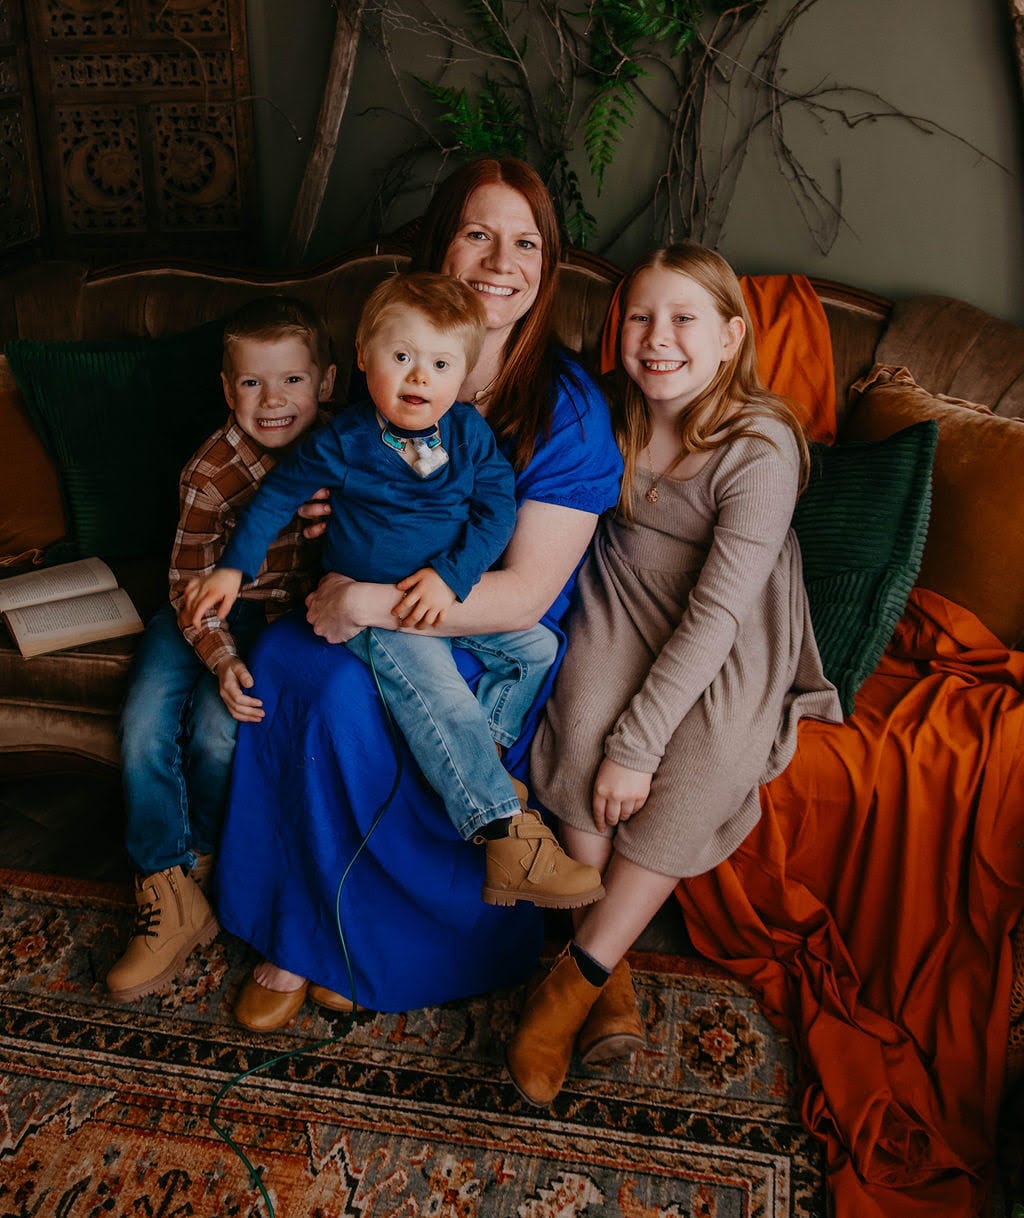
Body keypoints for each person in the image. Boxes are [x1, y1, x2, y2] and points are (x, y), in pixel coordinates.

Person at [209, 156, 624, 1031]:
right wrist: (315, 536)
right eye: (477, 233)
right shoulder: (392, 354)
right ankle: (302, 931)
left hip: (475, 628)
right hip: (353, 601)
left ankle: (366, 939)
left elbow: (522, 596)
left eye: (524, 241)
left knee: (359, 699)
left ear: (548, 264)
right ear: (442, 245)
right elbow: (303, 476)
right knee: (296, 669)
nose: (499, 260)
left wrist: (369, 601)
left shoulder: (568, 409)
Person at [510, 241, 845, 1106]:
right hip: (624, 585)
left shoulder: (759, 444)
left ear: (731, 337)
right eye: (639, 319)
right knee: (577, 728)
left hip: (729, 621)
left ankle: (570, 982)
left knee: (699, 766)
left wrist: (643, 743)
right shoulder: (606, 410)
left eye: (684, 319)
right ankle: (610, 972)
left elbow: (716, 615)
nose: (658, 339)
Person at [185, 272, 603, 913]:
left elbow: (496, 515)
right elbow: (274, 500)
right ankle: (505, 838)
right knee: (437, 690)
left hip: (440, 593)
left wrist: (453, 577)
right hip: (376, 609)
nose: (418, 378)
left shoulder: (468, 435)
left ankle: (482, 755)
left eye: (439, 364)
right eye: (401, 358)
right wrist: (233, 569)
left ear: (462, 374)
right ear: (362, 358)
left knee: (538, 647)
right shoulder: (344, 440)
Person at [107, 296, 336, 1001]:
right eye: (252, 383)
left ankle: (199, 865)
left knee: (217, 733)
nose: (272, 401)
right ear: (226, 389)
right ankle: (164, 884)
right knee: (144, 722)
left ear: (325, 383)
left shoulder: (346, 453)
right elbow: (189, 588)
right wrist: (222, 657)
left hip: (279, 621)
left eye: (292, 381)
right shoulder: (210, 469)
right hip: (199, 616)